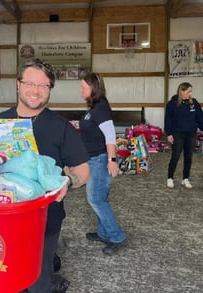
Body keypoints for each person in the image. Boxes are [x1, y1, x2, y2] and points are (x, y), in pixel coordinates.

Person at [0, 58, 90, 293]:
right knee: (0, 276)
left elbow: (83, 169)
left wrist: (69, 181)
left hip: (44, 222)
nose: (36, 91)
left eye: (43, 86)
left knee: (38, 283)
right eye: (30, 83)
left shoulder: (61, 127)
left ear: (50, 90)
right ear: (17, 84)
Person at [78, 72, 127, 256]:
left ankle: (116, 235)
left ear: (93, 88)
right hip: (93, 159)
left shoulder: (101, 108)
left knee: (96, 199)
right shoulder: (94, 108)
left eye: (83, 86)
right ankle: (103, 232)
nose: (81, 90)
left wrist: (112, 160)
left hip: (100, 159)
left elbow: (110, 137)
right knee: (100, 198)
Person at [164, 82, 203, 189]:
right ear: (182, 91)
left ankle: (185, 179)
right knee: (175, 156)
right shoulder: (172, 104)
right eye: (188, 91)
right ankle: (170, 178)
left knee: (189, 157)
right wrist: (169, 134)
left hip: (191, 134)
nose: (190, 93)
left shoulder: (194, 103)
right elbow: (168, 120)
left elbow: (200, 119)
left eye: (191, 91)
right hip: (178, 134)